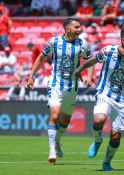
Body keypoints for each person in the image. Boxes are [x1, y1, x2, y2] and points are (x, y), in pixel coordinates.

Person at [27, 17, 93, 164]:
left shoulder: (82, 43)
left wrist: (89, 76)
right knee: (55, 115)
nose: (79, 29)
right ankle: (51, 150)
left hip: (72, 86)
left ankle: (57, 141)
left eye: (79, 27)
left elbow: (89, 61)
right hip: (55, 84)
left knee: (66, 120)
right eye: (76, 27)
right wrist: (31, 76)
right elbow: (40, 58)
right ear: (67, 28)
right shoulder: (54, 42)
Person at [74, 26, 124, 171]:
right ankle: (97, 140)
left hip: (122, 99)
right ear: (123, 40)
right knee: (99, 119)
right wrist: (79, 70)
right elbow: (91, 61)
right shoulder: (108, 50)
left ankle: (106, 162)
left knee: (115, 137)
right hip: (104, 92)